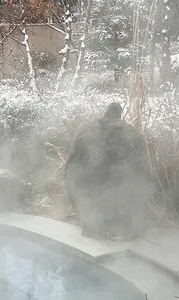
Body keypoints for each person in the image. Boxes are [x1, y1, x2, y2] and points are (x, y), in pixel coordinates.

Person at [64, 102, 154, 239]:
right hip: (117, 190)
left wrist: (73, 194)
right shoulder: (129, 131)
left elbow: (71, 164)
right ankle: (120, 229)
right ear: (120, 115)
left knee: (91, 186)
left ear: (105, 112)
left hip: (89, 190)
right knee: (126, 183)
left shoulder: (85, 129)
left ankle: (91, 226)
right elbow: (140, 169)